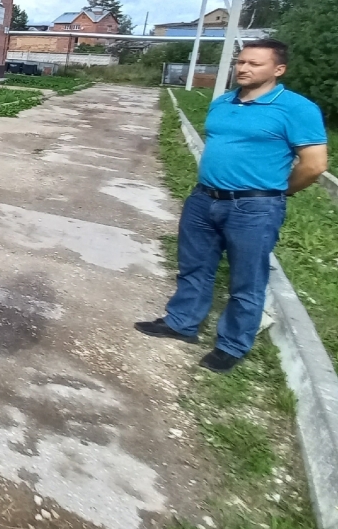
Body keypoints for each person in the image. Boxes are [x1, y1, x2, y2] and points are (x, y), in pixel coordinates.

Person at [136, 39, 328, 373]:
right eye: (241, 62)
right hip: (204, 199)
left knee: (246, 279)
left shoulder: (297, 108)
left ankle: (232, 345)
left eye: (255, 63)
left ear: (278, 69)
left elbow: (314, 165)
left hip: (254, 207)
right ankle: (182, 322)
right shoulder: (223, 102)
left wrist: (279, 192)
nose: (243, 68)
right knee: (194, 266)